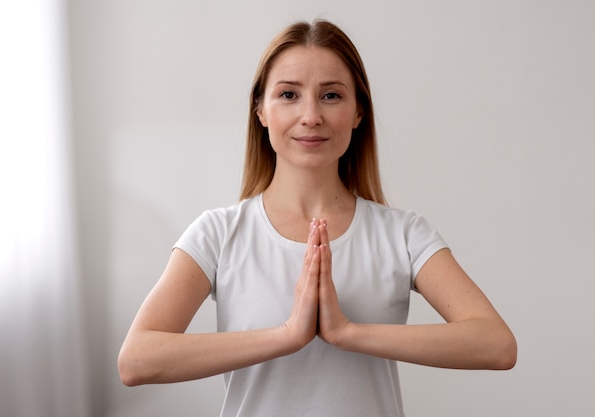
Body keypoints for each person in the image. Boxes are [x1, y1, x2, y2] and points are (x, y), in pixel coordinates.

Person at [118, 19, 517, 417]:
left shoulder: (404, 234)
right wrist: (288, 335)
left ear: (358, 112)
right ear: (261, 110)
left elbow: (497, 345)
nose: (310, 115)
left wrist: (347, 332)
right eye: (289, 94)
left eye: (330, 96)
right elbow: (136, 360)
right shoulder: (218, 234)